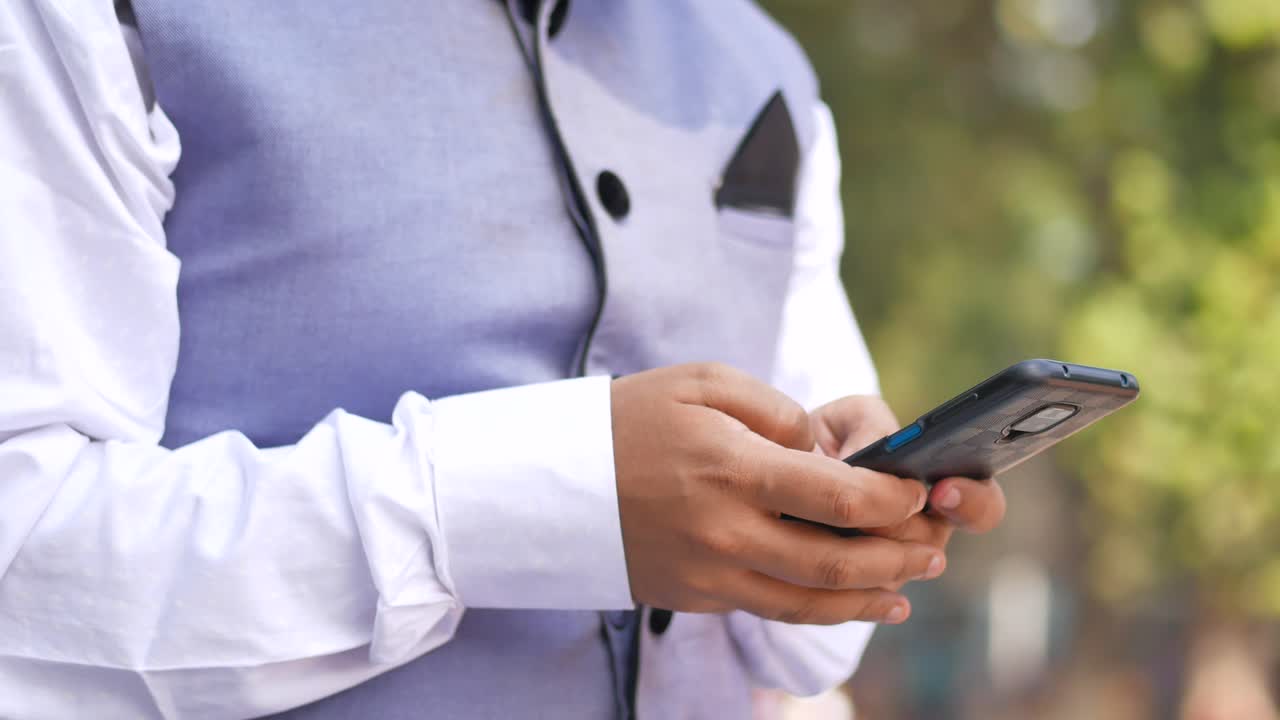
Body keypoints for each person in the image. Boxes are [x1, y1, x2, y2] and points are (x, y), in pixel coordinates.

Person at [0, 1, 1007, 718]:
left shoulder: (761, 70)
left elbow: (789, 653)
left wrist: (839, 522)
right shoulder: (95, 17)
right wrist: (531, 502)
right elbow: (24, 559)